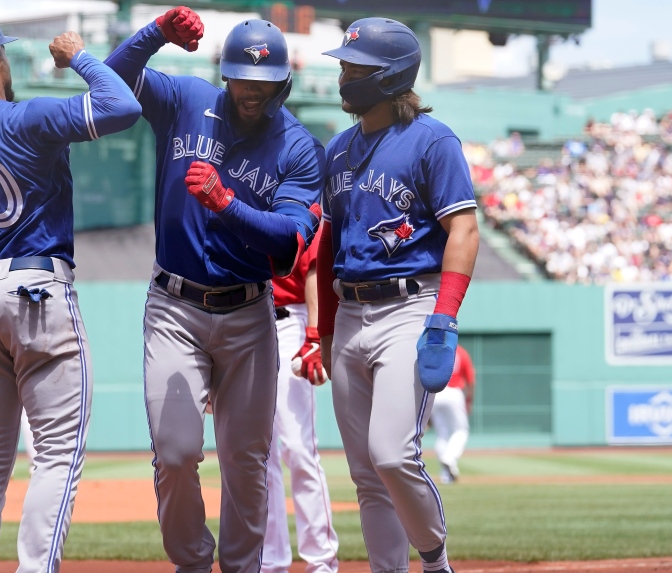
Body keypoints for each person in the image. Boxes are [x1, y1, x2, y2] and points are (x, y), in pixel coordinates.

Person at [0, 13, 141, 573]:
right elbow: (122, 107)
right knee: (56, 456)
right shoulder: (26, 116)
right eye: (4, 54)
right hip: (36, 292)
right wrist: (79, 59)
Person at [105, 10, 324, 573]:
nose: (252, 92)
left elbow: (291, 242)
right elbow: (112, 78)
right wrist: (154, 34)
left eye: (265, 83)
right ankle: (193, 565)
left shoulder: (297, 147)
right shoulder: (186, 100)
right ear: (225, 75)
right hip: (174, 307)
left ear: (284, 83)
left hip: (250, 312)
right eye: (243, 80)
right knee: (175, 455)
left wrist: (228, 204)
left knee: (247, 461)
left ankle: (243, 567)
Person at [317, 18, 479, 573]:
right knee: (365, 472)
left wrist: (444, 319)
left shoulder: (433, 141)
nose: (342, 75)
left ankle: (435, 562)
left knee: (392, 453)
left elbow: (464, 229)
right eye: (343, 65)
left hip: (410, 306)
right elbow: (328, 245)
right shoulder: (337, 150)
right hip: (350, 311)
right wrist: (326, 330)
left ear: (388, 76)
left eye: (352, 67)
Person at [263, 224, 339, 573]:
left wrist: (313, 333)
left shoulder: (293, 184)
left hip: (289, 321)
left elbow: (313, 267)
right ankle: (270, 561)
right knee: (258, 455)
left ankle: (321, 560)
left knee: (298, 446)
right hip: (245, 318)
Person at [430, 344, 475, 484]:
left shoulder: (434, 350)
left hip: (435, 392)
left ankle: (447, 476)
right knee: (461, 430)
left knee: (442, 434)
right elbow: (471, 380)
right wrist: (469, 400)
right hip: (454, 392)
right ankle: (449, 458)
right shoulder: (461, 351)